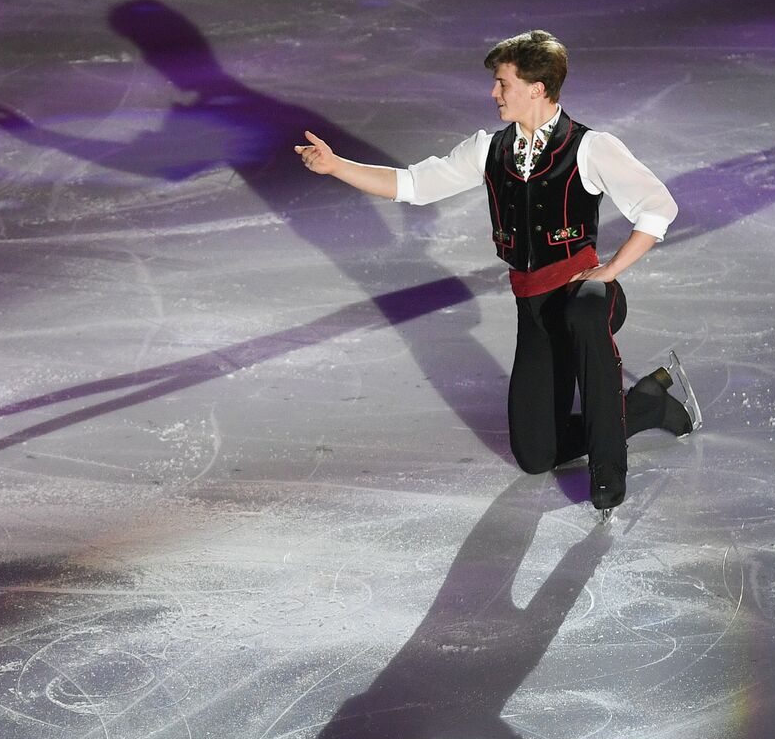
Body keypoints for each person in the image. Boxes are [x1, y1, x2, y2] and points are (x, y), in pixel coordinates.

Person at [296, 30, 697, 514]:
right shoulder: (490, 150)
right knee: (535, 456)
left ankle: (609, 473)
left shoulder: (591, 147)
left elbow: (658, 207)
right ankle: (648, 404)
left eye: (502, 82)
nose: (493, 93)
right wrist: (337, 167)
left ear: (537, 88)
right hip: (534, 309)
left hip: (582, 293)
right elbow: (416, 185)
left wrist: (611, 269)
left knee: (587, 318)